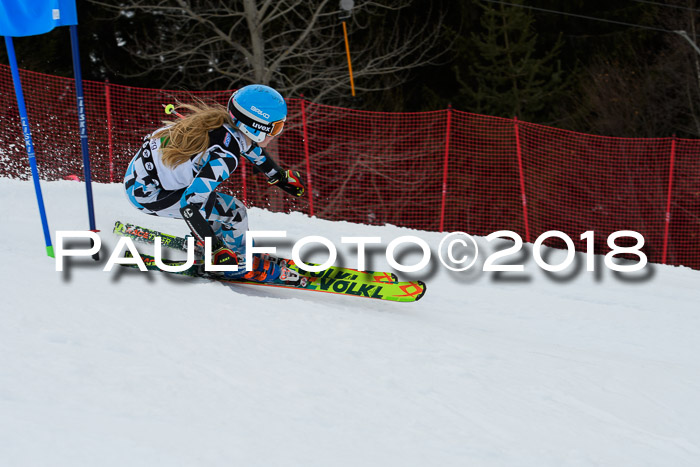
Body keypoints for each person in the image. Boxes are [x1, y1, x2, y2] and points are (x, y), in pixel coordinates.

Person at [123, 84, 306, 282]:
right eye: (276, 127)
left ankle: (217, 244)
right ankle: (238, 266)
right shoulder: (225, 157)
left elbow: (249, 148)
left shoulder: (224, 125)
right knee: (234, 212)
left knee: (213, 203)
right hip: (148, 194)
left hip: (140, 177)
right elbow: (189, 205)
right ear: (257, 127)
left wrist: (278, 176)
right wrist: (215, 247)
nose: (277, 133)